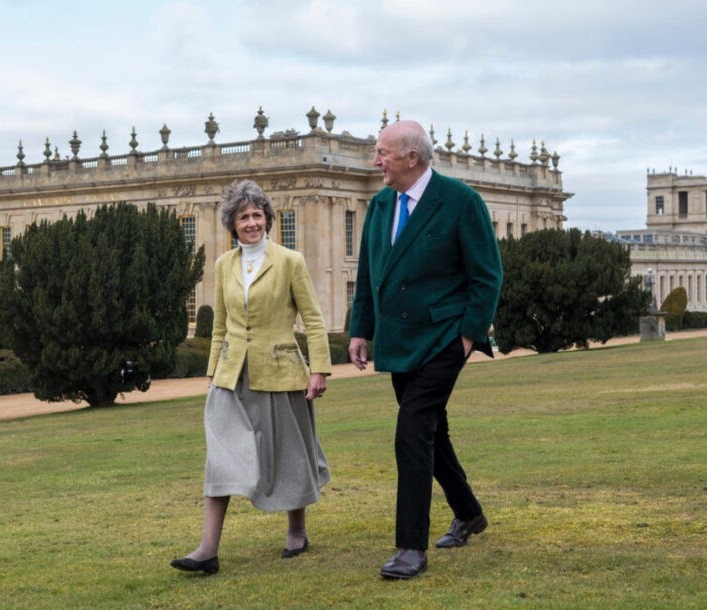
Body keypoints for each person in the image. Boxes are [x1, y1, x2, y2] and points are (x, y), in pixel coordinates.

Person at [348, 120, 502, 579]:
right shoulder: (378, 205)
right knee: (433, 433)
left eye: (382, 153)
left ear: (412, 157)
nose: (376, 161)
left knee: (412, 432)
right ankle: (469, 513)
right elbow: (369, 273)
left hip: (443, 339)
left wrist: (469, 335)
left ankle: (410, 547)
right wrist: (360, 330)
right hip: (399, 342)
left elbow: (486, 274)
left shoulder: (460, 201)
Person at [171, 179, 333, 575]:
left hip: (280, 371)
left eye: (258, 215)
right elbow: (221, 326)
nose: (251, 222)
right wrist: (213, 374)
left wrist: (320, 369)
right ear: (232, 223)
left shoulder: (290, 261)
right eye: (243, 216)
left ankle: (297, 530)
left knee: (289, 453)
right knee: (220, 458)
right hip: (231, 375)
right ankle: (207, 550)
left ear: (268, 219)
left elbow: (312, 319)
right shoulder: (224, 264)